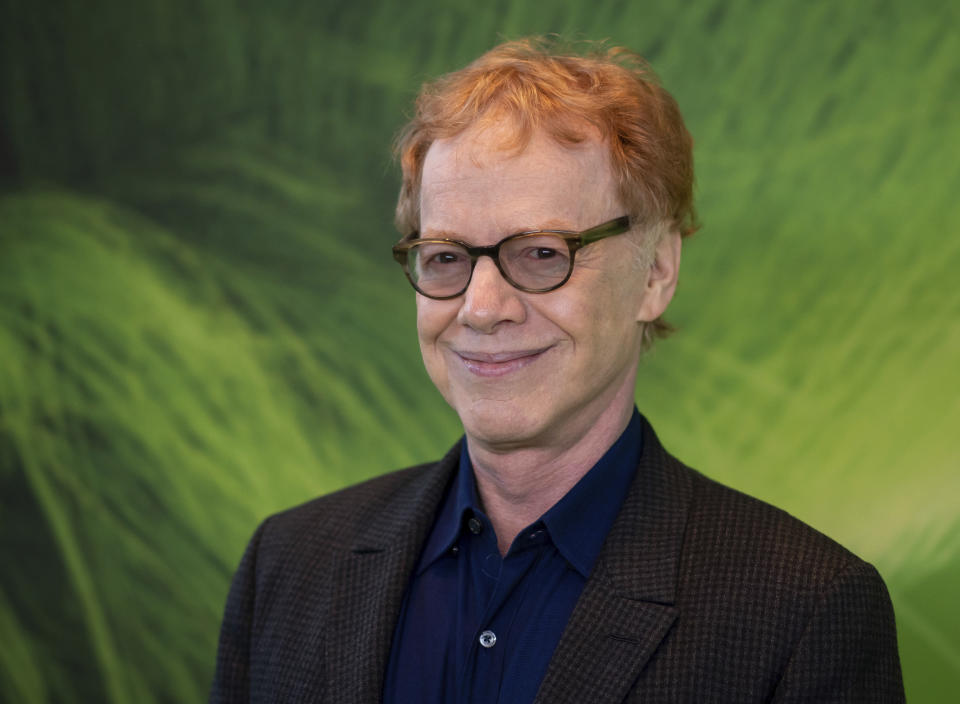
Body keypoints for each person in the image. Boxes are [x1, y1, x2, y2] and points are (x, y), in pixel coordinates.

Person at [211, 37, 904, 703]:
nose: (481, 309)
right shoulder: (289, 566)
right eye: (447, 258)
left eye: (542, 254)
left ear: (656, 272)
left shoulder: (803, 610)